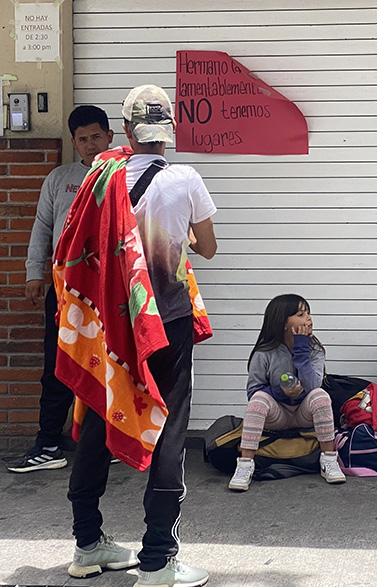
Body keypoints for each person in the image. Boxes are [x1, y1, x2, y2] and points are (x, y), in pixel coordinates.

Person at [65, 86, 217, 587]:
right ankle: (158, 559)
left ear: (127, 131)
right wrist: (177, 235)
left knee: (97, 418)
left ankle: (87, 544)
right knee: (169, 430)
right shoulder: (185, 178)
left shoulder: (99, 178)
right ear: (170, 130)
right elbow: (207, 248)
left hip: (109, 324)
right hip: (164, 324)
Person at [6, 106, 113, 474]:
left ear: (110, 136)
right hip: (65, 292)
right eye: (82, 139)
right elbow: (42, 228)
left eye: (96, 136)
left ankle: (109, 441)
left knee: (110, 366)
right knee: (58, 365)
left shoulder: (122, 176)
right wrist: (33, 273)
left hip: (109, 291)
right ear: (73, 142)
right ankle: (49, 443)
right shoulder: (59, 178)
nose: (90, 144)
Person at [229, 294, 345, 491]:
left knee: (321, 396)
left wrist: (301, 349)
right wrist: (281, 393)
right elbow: (253, 391)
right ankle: (245, 464)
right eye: (300, 314)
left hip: (303, 414)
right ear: (282, 322)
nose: (308, 319)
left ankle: (329, 460)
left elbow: (313, 385)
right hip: (278, 415)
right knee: (258, 399)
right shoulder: (264, 353)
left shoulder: (315, 350)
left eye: (308, 313)